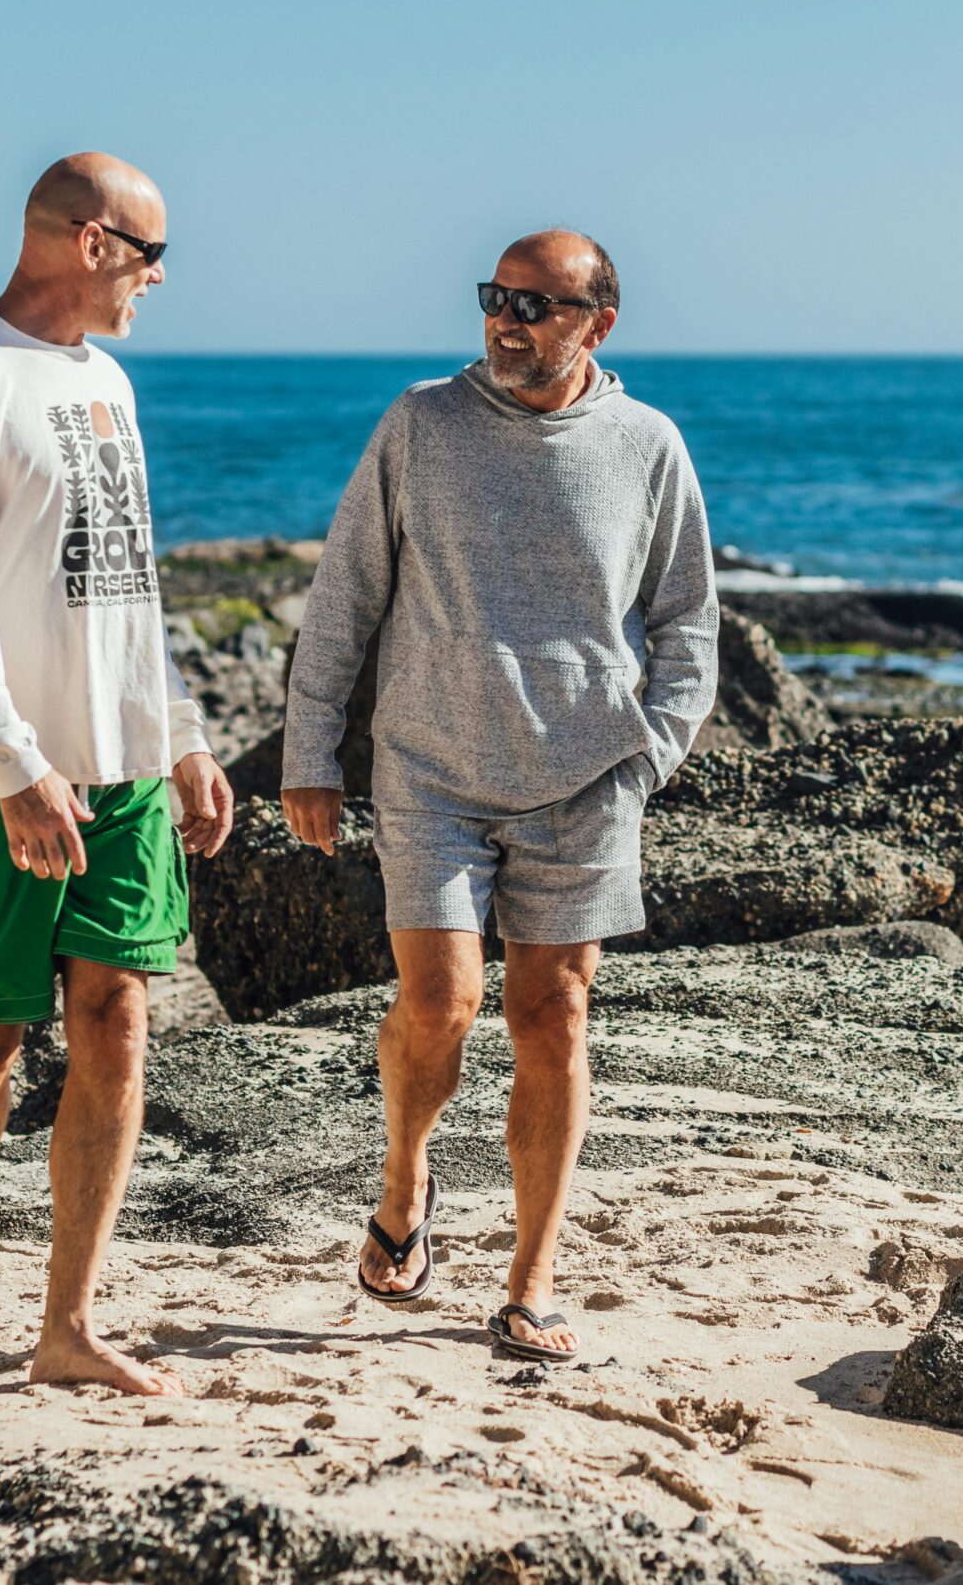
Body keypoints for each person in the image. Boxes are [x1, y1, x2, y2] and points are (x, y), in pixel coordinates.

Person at [279, 230, 718, 1362]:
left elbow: (686, 621)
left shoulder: (646, 445)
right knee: (439, 1005)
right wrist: (310, 752)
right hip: (429, 770)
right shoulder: (421, 424)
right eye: (495, 298)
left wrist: (651, 751)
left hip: (584, 780)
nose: (507, 320)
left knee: (553, 1020)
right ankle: (406, 1177)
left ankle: (529, 1284)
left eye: (537, 304)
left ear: (597, 324)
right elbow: (345, 595)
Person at [0, 151, 233, 1395]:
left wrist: (180, 728)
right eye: (149, 258)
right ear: (91, 244)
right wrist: (11, 759)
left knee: (116, 1024)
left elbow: (129, 581)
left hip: (124, 763)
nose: (153, 282)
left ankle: (69, 1322)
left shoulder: (110, 386)